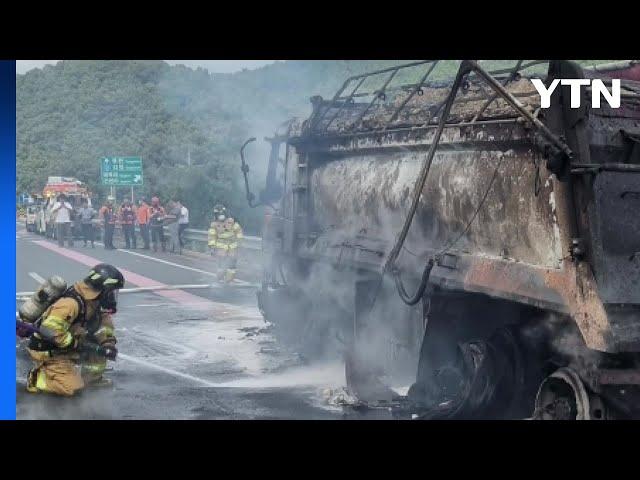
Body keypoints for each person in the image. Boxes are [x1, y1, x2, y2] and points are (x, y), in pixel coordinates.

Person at [25, 264, 124, 396]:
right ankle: (38, 379)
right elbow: (49, 329)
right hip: (50, 351)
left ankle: (92, 380)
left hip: (69, 346)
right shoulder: (70, 304)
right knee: (72, 390)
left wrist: (108, 343)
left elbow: (104, 326)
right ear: (101, 288)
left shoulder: (94, 302)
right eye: (111, 292)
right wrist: (78, 344)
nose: (112, 297)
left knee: (99, 350)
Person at [209, 211, 244, 283]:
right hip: (222, 248)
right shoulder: (214, 225)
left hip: (232, 247)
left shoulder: (231, 222)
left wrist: (239, 243)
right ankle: (221, 279)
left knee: (231, 265)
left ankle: (228, 280)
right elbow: (212, 236)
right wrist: (212, 247)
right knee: (221, 265)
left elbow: (239, 232)